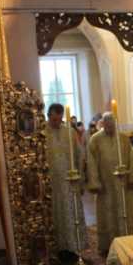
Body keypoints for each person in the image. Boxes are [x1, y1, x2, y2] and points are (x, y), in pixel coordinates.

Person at [87, 112, 133, 257]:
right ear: (103, 124)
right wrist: (95, 182)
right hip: (105, 185)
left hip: (122, 183)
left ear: (115, 124)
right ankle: (108, 244)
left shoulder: (123, 139)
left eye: (112, 124)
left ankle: (127, 239)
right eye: (107, 124)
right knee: (107, 213)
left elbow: (131, 158)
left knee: (124, 210)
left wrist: (132, 177)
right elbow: (91, 162)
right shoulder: (95, 140)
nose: (110, 127)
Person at [45, 103, 87, 255]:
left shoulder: (69, 132)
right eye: (54, 119)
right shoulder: (42, 133)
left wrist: (80, 179)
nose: (57, 122)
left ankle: (74, 246)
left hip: (70, 181)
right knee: (57, 215)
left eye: (59, 119)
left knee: (71, 213)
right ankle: (60, 248)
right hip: (53, 183)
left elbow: (79, 155)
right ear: (48, 116)